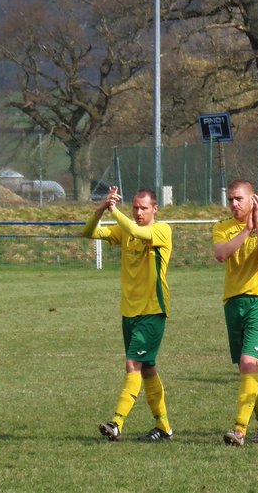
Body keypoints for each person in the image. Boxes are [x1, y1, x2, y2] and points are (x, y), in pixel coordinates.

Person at [85, 187, 175, 442]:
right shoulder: (124, 230)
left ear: (155, 209)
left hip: (153, 310)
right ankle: (164, 427)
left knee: (133, 365)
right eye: (135, 207)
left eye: (143, 207)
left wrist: (115, 211)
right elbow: (88, 232)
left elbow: (136, 231)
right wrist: (102, 208)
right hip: (129, 311)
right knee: (147, 369)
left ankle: (117, 422)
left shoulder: (162, 230)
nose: (138, 212)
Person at [214, 180, 258, 446]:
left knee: (248, 363)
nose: (233, 204)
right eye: (230, 199)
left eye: (239, 199)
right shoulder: (222, 227)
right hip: (233, 302)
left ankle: (239, 430)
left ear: (253, 199)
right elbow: (221, 254)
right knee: (248, 368)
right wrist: (246, 231)